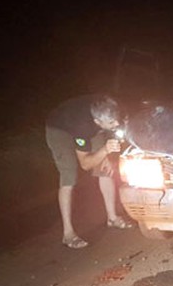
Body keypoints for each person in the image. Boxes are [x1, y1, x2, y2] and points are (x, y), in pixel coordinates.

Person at [45, 93, 133, 249]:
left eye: (117, 119)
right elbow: (85, 164)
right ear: (97, 122)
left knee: (106, 168)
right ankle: (68, 234)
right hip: (59, 128)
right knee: (69, 175)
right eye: (112, 122)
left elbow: (113, 128)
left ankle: (112, 218)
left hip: (91, 123)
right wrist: (104, 151)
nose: (117, 123)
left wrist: (104, 154)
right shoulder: (82, 127)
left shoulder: (112, 110)